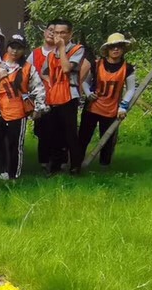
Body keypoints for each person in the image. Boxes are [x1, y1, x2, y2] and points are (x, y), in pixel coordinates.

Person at [33, 20, 85, 176]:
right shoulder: (50, 54)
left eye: (63, 33)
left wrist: (62, 48)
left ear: (70, 34)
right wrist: (50, 82)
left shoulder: (77, 49)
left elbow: (66, 68)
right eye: (56, 33)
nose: (59, 36)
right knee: (53, 132)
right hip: (54, 96)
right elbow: (43, 72)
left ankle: (75, 166)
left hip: (69, 95)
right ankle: (54, 166)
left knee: (70, 133)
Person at [78, 33, 137, 168]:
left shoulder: (128, 68)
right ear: (107, 49)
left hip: (112, 109)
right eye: (112, 47)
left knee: (108, 140)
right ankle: (77, 164)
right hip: (92, 107)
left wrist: (123, 106)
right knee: (83, 137)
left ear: (123, 49)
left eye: (119, 46)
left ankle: (104, 167)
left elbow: (131, 89)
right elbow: (85, 82)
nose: (115, 49)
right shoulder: (96, 64)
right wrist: (88, 93)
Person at [0, 33, 38, 182]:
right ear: (7, 47)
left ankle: (14, 176)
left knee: (15, 146)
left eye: (19, 48)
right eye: (12, 47)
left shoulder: (28, 67)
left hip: (17, 112)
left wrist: (38, 108)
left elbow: (38, 88)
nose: (15, 51)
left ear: (24, 50)